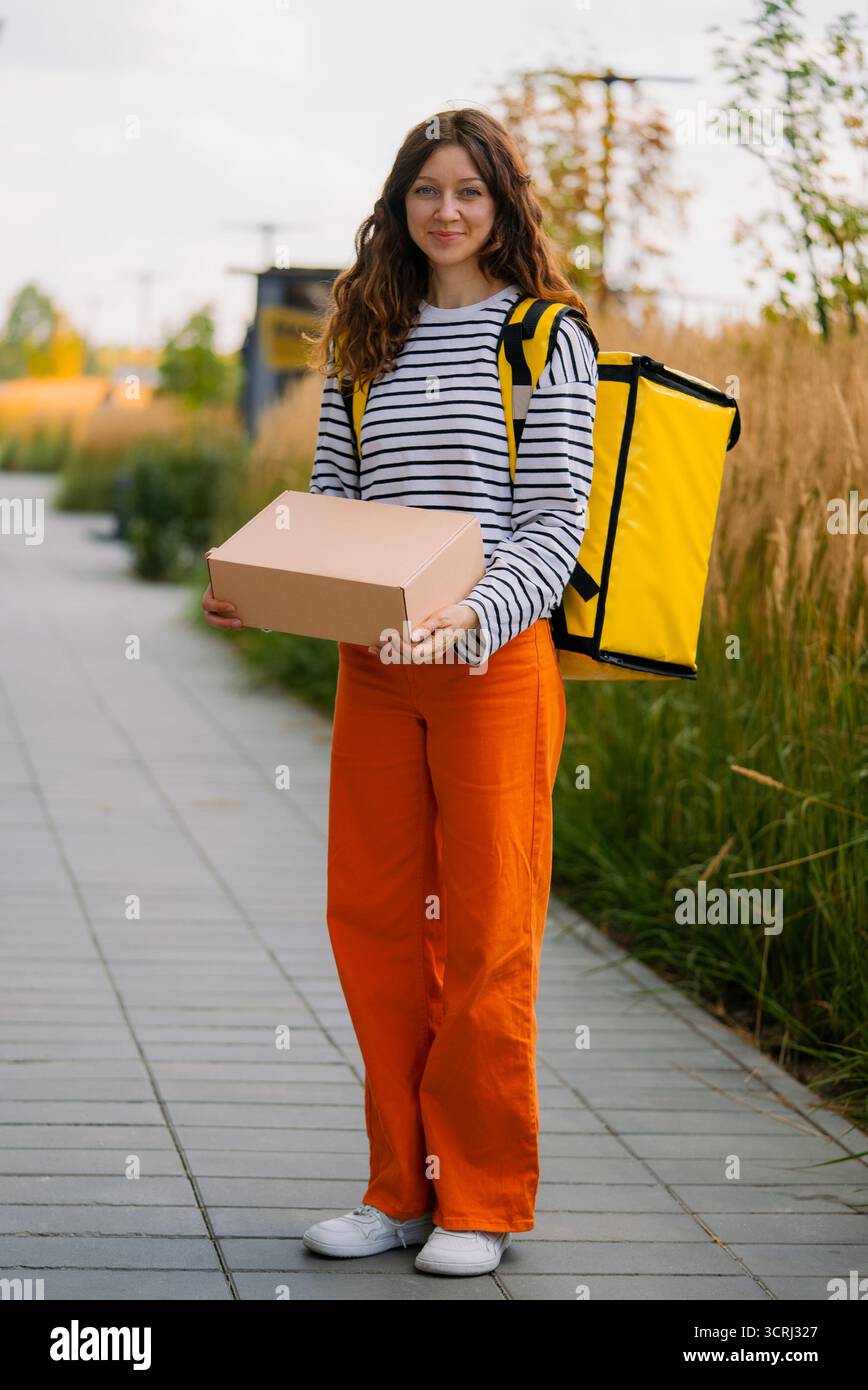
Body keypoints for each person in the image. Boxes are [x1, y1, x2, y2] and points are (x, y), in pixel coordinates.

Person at [203, 107, 598, 1278]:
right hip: (376, 670)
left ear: (502, 206)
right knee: (373, 926)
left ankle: (479, 1198)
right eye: (426, 190)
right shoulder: (364, 333)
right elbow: (333, 507)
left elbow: (555, 525)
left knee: (485, 936)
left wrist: (469, 617)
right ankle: (398, 1189)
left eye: (469, 191)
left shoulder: (542, 338)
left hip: (489, 666)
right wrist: (266, 592)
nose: (446, 211)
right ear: (397, 203)